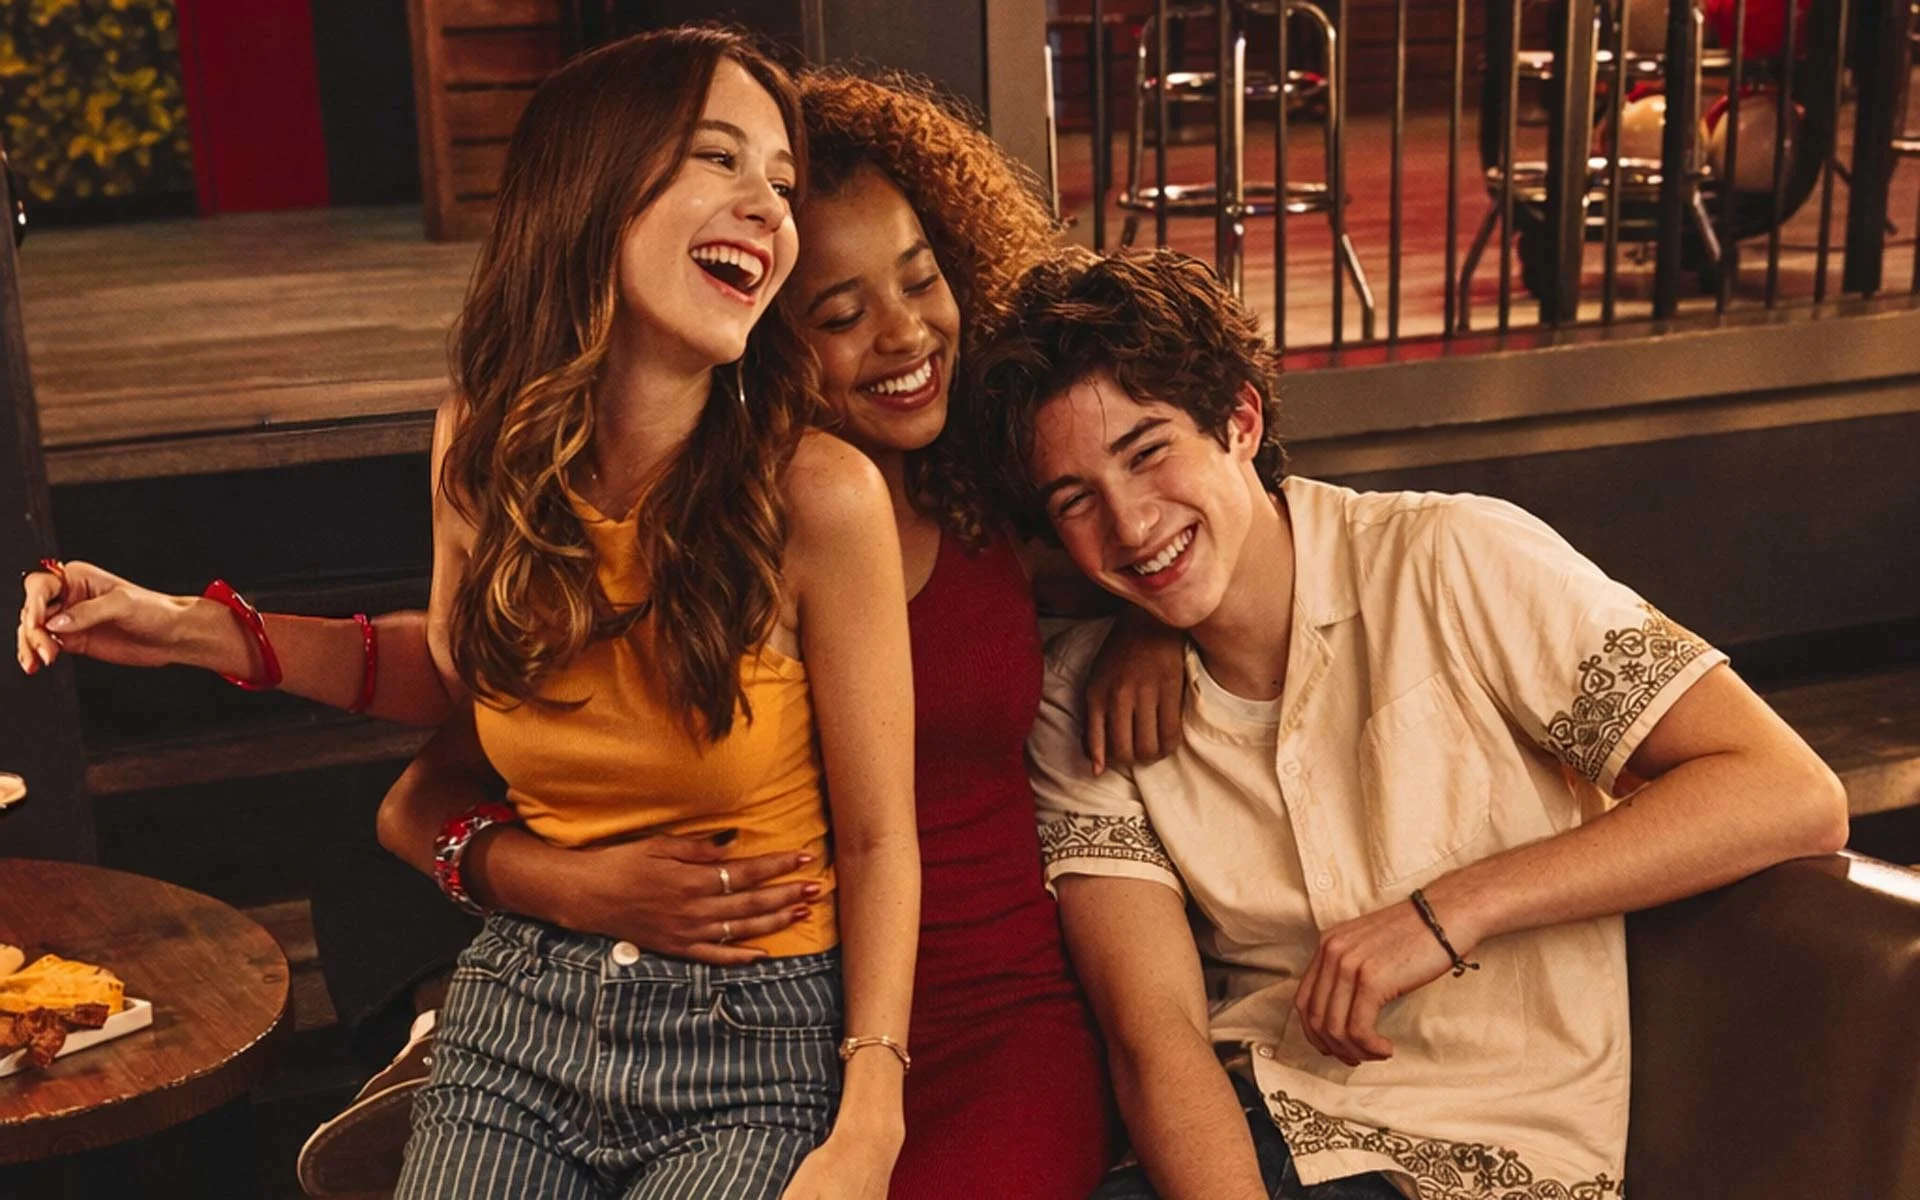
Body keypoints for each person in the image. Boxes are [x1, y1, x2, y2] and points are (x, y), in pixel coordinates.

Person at [17, 64, 1166, 1199]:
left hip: (873, 1010)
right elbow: (460, 706)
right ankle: (437, 1038)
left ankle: (430, 1037)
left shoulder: (973, 481)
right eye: (837, 307)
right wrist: (188, 629)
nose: (901, 332)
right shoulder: (536, 449)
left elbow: (1177, 521)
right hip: (585, 988)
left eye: (917, 281)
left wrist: (1167, 634)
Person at [964, 248, 1850, 1200]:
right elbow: (1155, 1035)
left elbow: (1790, 792)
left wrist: (1450, 910)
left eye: (1149, 454)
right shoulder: (1079, 701)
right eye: (1077, 501)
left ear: (1240, 420)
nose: (1131, 526)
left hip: (1492, 1156)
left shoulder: (1454, 561)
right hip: (1245, 1133)